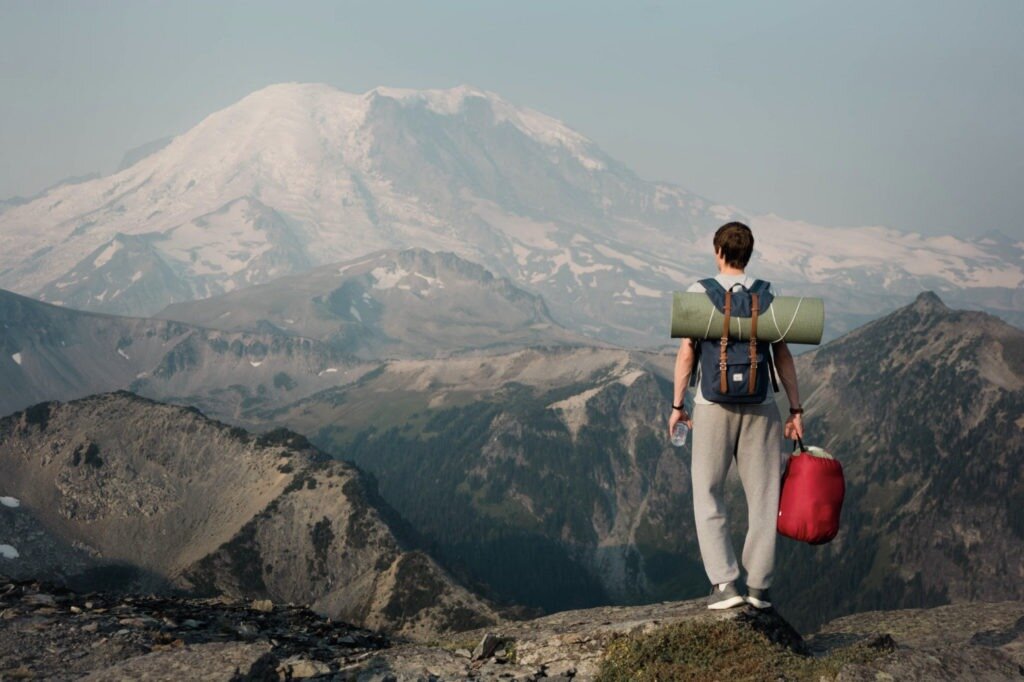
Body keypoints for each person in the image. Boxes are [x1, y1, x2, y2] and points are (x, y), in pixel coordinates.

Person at [668, 221, 804, 610]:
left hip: (713, 407)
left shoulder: (698, 292)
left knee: (708, 492)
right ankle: (759, 587)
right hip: (762, 407)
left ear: (718, 251)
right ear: (749, 253)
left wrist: (678, 406)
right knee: (763, 496)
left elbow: (687, 353)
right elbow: (782, 356)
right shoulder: (766, 293)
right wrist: (795, 409)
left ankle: (725, 585)